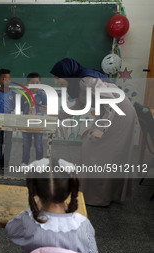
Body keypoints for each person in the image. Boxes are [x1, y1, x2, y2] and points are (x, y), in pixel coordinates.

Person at [49, 58, 136, 206]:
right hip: (109, 113)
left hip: (119, 113)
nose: (56, 82)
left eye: (58, 78)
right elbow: (79, 106)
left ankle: (98, 197)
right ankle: (96, 193)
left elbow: (111, 101)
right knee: (91, 145)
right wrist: (58, 114)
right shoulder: (79, 84)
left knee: (98, 150)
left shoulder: (87, 80)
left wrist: (101, 129)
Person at [5, 158, 98, 253]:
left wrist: (33, 209)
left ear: (35, 191)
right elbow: (93, 252)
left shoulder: (27, 220)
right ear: (70, 190)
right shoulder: (83, 225)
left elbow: (10, 230)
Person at [0, 68, 16, 169]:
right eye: (4, 79)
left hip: (9, 118)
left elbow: (14, 105)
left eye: (9, 79)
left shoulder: (13, 93)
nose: (7, 81)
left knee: (9, 140)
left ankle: (7, 159)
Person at [21, 72, 47, 165]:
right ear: (28, 83)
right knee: (26, 145)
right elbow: (21, 109)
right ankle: (24, 162)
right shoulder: (24, 96)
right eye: (32, 82)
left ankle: (39, 163)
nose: (35, 85)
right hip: (26, 124)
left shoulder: (43, 96)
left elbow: (46, 110)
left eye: (37, 82)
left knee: (38, 145)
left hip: (38, 124)